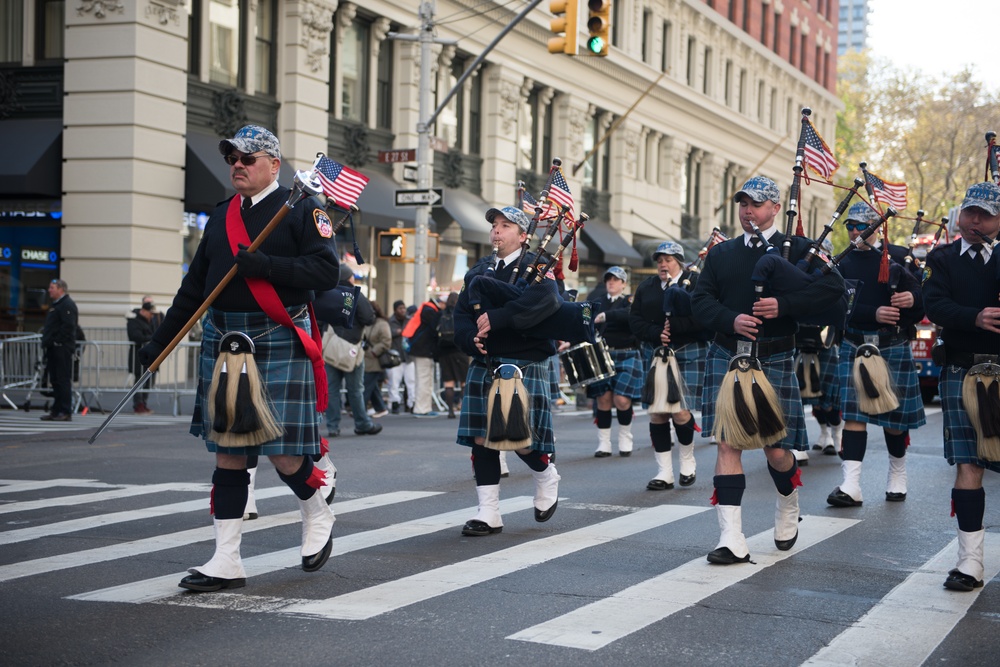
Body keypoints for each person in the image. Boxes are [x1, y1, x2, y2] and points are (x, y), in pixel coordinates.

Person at [137, 125, 338, 592]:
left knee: (285, 455)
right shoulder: (222, 214)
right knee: (230, 455)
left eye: (248, 158)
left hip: (276, 334)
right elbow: (194, 290)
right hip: (225, 341)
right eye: (232, 159)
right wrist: (159, 343)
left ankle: (316, 508)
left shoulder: (302, 209)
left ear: (273, 163)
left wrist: (268, 266)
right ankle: (226, 559)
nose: (238, 166)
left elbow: (326, 271)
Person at [691, 175, 845, 565]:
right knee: (728, 444)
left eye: (756, 204)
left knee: (777, 450)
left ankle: (788, 501)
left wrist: (785, 306)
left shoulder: (799, 251)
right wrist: (731, 319)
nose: (747, 212)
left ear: (776, 208)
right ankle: (730, 538)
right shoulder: (722, 254)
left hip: (775, 357)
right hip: (728, 355)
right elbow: (701, 301)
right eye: (743, 204)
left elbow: (834, 291)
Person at [454, 205, 561, 536]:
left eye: (505, 226)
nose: (496, 231)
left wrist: (499, 318)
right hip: (486, 362)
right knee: (482, 439)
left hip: (524, 361)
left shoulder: (539, 266)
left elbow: (546, 302)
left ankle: (545, 474)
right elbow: (460, 314)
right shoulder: (479, 271)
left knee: (519, 438)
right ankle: (489, 513)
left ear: (523, 235)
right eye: (494, 226)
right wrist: (470, 340)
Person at [922, 181, 1000, 592]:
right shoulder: (944, 258)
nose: (975, 221)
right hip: (962, 370)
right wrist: (975, 317)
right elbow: (933, 305)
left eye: (985, 214)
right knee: (969, 464)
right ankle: (970, 563)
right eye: (970, 212)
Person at [827, 202, 926, 508]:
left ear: (876, 228)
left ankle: (897, 473)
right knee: (854, 417)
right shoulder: (840, 264)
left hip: (891, 345)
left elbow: (922, 306)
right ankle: (851, 484)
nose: (855, 232)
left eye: (861, 226)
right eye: (850, 226)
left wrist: (912, 299)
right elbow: (833, 307)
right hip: (854, 344)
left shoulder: (897, 259)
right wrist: (873, 312)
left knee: (894, 420)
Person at [630, 243, 708, 489]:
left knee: (681, 412)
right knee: (658, 412)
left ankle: (687, 460)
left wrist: (676, 328)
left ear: (680, 262)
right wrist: (656, 333)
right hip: (656, 353)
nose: (663, 264)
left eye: (669, 260)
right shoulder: (647, 287)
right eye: (660, 260)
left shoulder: (695, 282)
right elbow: (635, 321)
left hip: (688, 352)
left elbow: (705, 318)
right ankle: (664, 472)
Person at [588, 266, 642, 457]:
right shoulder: (596, 302)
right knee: (603, 399)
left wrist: (606, 316)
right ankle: (604, 443)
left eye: (616, 279)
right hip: (602, 355)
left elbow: (630, 315)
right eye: (608, 279)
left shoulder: (630, 301)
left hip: (627, 353)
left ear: (623, 284)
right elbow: (584, 322)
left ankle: (625, 437)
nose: (611, 282)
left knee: (621, 399)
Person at [323, 264, 381, 437]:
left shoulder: (328, 293)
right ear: (350, 278)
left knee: (332, 389)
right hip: (352, 348)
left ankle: (332, 426)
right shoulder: (355, 295)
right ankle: (362, 423)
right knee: (355, 389)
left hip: (331, 347)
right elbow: (368, 317)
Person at [40, 278, 78, 421]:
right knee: (55, 380)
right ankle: (56, 410)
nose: (49, 290)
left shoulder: (67, 305)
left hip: (61, 348)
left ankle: (65, 410)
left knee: (62, 380)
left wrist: (57, 341)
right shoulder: (57, 305)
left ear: (61, 289)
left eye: (52, 287)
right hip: (53, 348)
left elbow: (68, 326)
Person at [408, 293, 445, 417]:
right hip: (424, 351)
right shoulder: (430, 312)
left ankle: (423, 407)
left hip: (421, 350)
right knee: (424, 379)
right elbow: (434, 329)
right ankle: (421, 409)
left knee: (424, 379)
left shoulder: (427, 309)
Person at [437, 291, 470, 419]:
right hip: (459, 351)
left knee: (448, 383)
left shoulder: (441, 314)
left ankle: (450, 410)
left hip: (445, 353)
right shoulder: (461, 313)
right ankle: (464, 409)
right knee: (463, 382)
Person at [126, 298, 157, 414]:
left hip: (150, 357)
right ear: (144, 311)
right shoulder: (134, 320)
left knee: (149, 382)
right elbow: (135, 336)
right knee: (139, 380)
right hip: (138, 356)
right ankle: (138, 405)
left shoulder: (151, 321)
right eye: (150, 313)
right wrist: (151, 339)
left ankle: (143, 403)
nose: (152, 316)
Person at [363, 301, 392, 418]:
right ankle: (381, 408)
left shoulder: (382, 324)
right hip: (366, 358)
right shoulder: (366, 323)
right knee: (372, 386)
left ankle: (360, 409)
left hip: (375, 359)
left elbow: (386, 341)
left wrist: (374, 351)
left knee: (366, 386)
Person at [387, 300, 416, 414]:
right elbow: (389, 334)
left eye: (404, 308)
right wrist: (399, 332)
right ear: (395, 310)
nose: (403, 310)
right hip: (395, 356)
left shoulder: (409, 320)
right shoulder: (390, 322)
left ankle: (412, 403)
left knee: (411, 381)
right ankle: (395, 403)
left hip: (409, 356)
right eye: (400, 308)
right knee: (394, 381)